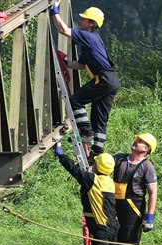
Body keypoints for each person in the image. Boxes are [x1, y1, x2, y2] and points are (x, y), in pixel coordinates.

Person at [53, 140, 131, 245]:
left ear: (97, 166)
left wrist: (60, 153)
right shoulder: (108, 181)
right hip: (113, 225)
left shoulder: (92, 180)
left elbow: (73, 169)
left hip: (100, 226)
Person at [50, 1, 120, 155]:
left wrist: (54, 11)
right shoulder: (92, 40)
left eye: (84, 18)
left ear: (91, 24)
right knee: (99, 117)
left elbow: (63, 30)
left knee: (75, 100)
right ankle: (97, 151)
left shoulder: (88, 36)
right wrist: (66, 63)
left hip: (103, 78)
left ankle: (86, 132)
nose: (80, 20)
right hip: (111, 80)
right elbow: (81, 65)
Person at [112, 133, 158, 245]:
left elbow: (153, 193)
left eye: (140, 141)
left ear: (146, 149)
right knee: (114, 239)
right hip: (115, 205)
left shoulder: (147, 167)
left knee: (130, 241)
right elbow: (101, 165)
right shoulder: (119, 159)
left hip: (134, 207)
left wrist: (149, 217)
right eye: (137, 139)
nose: (135, 141)